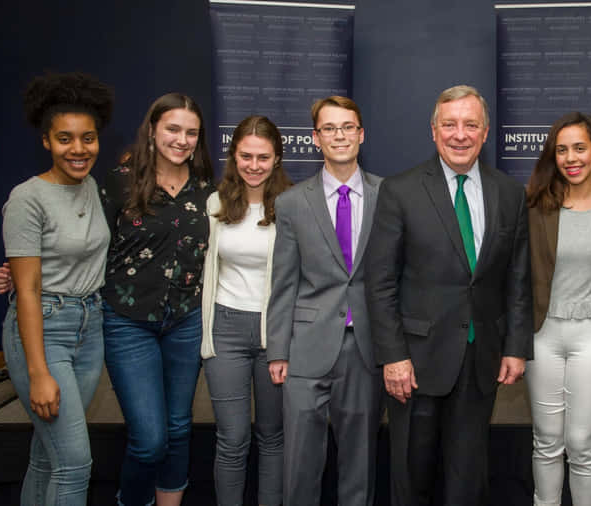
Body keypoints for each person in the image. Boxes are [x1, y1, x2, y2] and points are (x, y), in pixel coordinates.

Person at [364, 84, 533, 505]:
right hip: (416, 364)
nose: (460, 134)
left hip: (482, 360)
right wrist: (393, 356)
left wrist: (515, 347)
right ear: (433, 131)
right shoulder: (400, 190)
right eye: (450, 124)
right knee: (412, 475)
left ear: (486, 131)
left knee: (467, 480)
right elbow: (381, 280)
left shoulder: (510, 193)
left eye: (470, 124)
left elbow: (517, 277)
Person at [1, 71, 113, 506]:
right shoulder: (27, 198)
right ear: (46, 141)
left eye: (88, 138)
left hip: (89, 329)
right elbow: (26, 291)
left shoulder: (92, 188)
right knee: (74, 464)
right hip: (44, 330)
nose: (79, 149)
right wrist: (38, 371)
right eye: (65, 139)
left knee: (48, 459)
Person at [100, 93, 214, 506]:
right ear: (152, 129)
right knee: (149, 440)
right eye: (172, 129)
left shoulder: (208, 191)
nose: (181, 140)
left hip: (185, 322)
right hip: (128, 322)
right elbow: (86, 243)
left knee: (180, 428)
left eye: (191, 132)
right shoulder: (118, 181)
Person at [267, 96, 382, 506]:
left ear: (361, 134)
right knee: (300, 464)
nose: (340, 136)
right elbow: (283, 282)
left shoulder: (388, 196)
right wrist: (277, 350)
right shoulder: (292, 203)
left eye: (348, 127)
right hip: (305, 346)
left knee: (360, 464)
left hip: (365, 348)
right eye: (330, 128)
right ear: (316, 138)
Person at [525, 112, 591, 506]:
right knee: (547, 441)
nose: (571, 158)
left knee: (583, 442)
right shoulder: (535, 206)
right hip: (543, 336)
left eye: (580, 148)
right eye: (562, 150)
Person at [201, 115, 292, 506]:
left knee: (272, 436)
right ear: (233, 155)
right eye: (246, 156)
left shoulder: (292, 206)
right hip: (224, 329)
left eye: (263, 157)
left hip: (275, 333)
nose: (254, 165)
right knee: (232, 438)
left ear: (277, 159)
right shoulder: (215, 204)